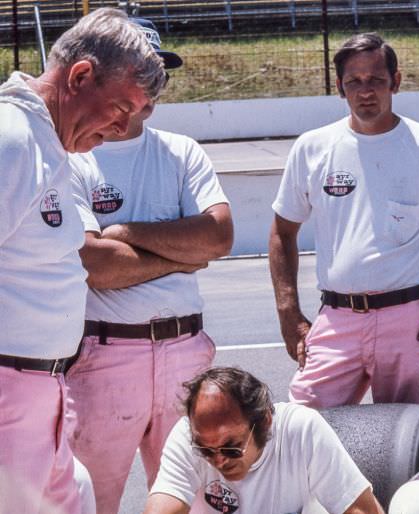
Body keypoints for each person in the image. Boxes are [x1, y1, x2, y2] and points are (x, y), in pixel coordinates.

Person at [269, 32, 419, 409]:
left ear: (396, 81)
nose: (366, 92)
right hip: (337, 320)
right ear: (340, 88)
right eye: (353, 82)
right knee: (303, 430)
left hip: (409, 323)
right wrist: (287, 309)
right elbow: (282, 231)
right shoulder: (313, 147)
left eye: (376, 80)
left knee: (409, 443)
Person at [65, 17, 233, 514]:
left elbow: (218, 236)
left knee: (196, 498)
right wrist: (182, 255)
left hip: (184, 349)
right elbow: (96, 266)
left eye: (159, 73)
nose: (152, 87)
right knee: (93, 499)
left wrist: (125, 234)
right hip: (106, 352)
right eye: (143, 73)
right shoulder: (74, 158)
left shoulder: (182, 152)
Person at [0, 8, 165, 513]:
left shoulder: (48, 146)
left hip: (44, 393)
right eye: (119, 107)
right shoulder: (12, 140)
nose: (121, 128)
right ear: (80, 76)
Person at [145, 367, 383, 513]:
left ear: (265, 421)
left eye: (231, 448)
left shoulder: (301, 429)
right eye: (206, 451)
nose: (218, 460)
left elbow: (361, 510)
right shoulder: (186, 436)